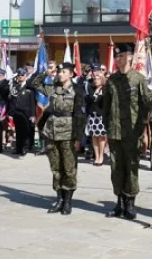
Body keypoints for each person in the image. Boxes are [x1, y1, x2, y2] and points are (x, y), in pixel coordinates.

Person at [103, 43, 152, 219]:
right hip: (115, 132)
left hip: (132, 132)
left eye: (122, 55)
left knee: (131, 169)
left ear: (130, 57)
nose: (118, 59)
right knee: (116, 169)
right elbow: (106, 107)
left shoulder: (138, 79)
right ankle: (119, 203)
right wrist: (107, 128)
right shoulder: (112, 80)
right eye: (116, 56)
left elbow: (147, 103)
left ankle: (130, 203)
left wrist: (145, 131)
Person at [30, 62, 85, 215]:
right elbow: (34, 83)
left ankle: (67, 201)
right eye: (59, 71)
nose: (60, 74)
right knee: (56, 167)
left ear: (71, 74)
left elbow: (80, 116)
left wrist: (78, 138)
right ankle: (59, 199)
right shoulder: (53, 88)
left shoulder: (77, 91)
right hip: (51, 132)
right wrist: (46, 73)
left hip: (69, 133)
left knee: (69, 168)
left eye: (64, 72)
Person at [84, 69, 107, 165]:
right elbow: (88, 100)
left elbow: (105, 102)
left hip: (101, 116)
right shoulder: (91, 89)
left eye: (97, 79)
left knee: (101, 137)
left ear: (102, 79)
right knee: (94, 137)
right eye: (94, 79)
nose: (95, 80)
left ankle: (101, 156)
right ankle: (96, 156)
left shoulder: (105, 89)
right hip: (92, 116)